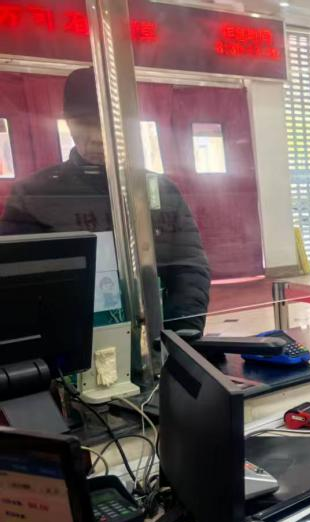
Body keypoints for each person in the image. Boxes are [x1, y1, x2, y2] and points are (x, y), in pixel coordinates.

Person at [0, 68, 211, 335]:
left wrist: (181, 332)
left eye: (107, 124)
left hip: (156, 339)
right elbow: (18, 282)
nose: (98, 137)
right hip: (75, 343)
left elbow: (189, 265)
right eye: (85, 124)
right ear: (68, 124)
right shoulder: (35, 195)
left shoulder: (160, 190)